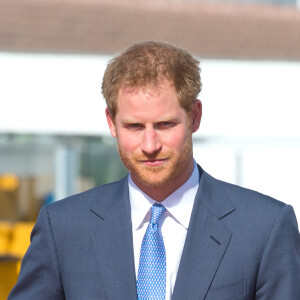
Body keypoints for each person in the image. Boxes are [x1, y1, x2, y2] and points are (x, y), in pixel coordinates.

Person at [9, 41, 300, 300]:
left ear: (195, 117)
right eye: (134, 126)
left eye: (164, 125)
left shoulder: (264, 228)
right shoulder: (63, 228)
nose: (150, 145)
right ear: (111, 123)